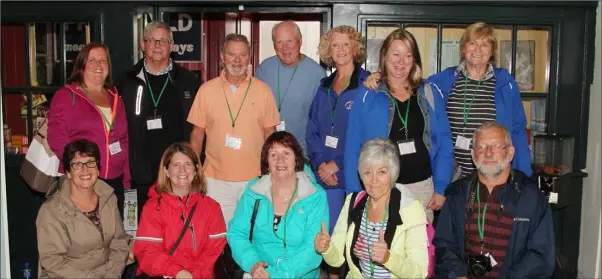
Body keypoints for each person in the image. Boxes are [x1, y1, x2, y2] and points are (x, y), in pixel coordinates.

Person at [345, 29, 454, 222]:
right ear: (385, 56)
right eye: (395, 54)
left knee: (419, 250)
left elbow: (444, 142)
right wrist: (354, 193)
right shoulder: (367, 94)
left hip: (422, 189)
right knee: (381, 249)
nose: (401, 61)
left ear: (415, 60)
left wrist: (441, 187)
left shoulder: (429, 93)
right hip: (378, 190)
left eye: (408, 55)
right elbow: (353, 146)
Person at [433, 121, 554, 279]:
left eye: (496, 146)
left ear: (510, 152)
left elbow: (541, 256)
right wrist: (457, 274)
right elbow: (444, 244)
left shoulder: (531, 197)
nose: (488, 154)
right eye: (481, 147)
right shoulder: (457, 194)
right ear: (472, 154)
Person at [188, 33, 280, 224]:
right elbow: (197, 135)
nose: (237, 60)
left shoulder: (263, 90)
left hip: (254, 179)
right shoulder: (206, 90)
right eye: (232, 54)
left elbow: (271, 135)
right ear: (222, 57)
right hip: (215, 181)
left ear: (249, 57)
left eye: (243, 55)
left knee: (252, 236)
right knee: (218, 238)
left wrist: (272, 173)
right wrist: (194, 169)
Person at [116, 21, 201, 216]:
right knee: (142, 234)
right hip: (139, 175)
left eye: (163, 41)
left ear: (171, 46)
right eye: (152, 40)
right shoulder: (126, 81)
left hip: (178, 175)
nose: (157, 45)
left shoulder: (189, 81)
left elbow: (199, 128)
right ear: (142, 44)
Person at [427, 22, 532, 179]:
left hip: (494, 174)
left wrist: (524, 175)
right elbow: (409, 84)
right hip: (454, 176)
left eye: (485, 44)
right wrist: (379, 77)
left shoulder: (505, 83)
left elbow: (518, 131)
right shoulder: (443, 81)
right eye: (472, 43)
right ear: (463, 48)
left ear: (492, 51)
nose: (478, 49)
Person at [315, 137, 429, 279]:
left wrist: (388, 258)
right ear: (361, 175)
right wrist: (327, 249)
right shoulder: (353, 202)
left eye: (381, 172)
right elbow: (337, 259)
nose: (374, 180)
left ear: (393, 174)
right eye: (368, 172)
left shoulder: (410, 209)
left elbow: (419, 272)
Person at [227, 131, 328, 279]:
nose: (280, 160)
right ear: (267, 163)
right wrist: (252, 264)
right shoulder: (253, 192)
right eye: (273, 155)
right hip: (259, 273)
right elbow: (236, 233)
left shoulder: (315, 196)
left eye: (286, 153)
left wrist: (277, 275)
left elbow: (312, 248)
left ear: (296, 160)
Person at [48, 42, 130, 216]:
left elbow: (124, 140)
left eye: (103, 60)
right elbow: (57, 138)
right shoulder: (66, 96)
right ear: (82, 65)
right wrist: (79, 168)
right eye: (92, 60)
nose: (98, 65)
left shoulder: (115, 98)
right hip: (82, 179)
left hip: (114, 180)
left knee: (112, 234)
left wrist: (127, 178)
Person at [307, 25, 370, 235]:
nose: (341, 50)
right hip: (326, 177)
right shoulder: (323, 86)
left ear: (355, 48)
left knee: (355, 237)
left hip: (356, 175)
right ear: (328, 50)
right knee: (330, 236)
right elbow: (312, 130)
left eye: (346, 44)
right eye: (335, 45)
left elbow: (368, 136)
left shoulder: (367, 85)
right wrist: (322, 165)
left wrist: (337, 164)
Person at [37, 139, 129, 278]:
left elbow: (119, 242)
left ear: (98, 169)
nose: (85, 169)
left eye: (90, 163)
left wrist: (112, 275)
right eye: (77, 164)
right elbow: (53, 262)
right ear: (68, 172)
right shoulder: (51, 210)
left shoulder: (108, 198)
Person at [133, 142, 227, 279]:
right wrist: (177, 272)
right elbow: (147, 251)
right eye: (176, 165)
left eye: (188, 164)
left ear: (196, 170)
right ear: (166, 171)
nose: (182, 170)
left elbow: (216, 250)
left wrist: (194, 275)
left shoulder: (211, 207)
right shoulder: (153, 207)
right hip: (165, 275)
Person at [255, 20, 326, 156]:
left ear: (300, 41)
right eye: (279, 42)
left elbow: (321, 121)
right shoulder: (264, 68)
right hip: (268, 149)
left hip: (301, 152)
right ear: (274, 44)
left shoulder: (316, 73)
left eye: (290, 41)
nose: (285, 48)